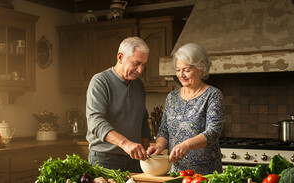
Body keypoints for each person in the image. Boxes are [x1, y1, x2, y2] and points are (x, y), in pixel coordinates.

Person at [147, 43, 224, 175]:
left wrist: (186, 145)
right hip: (176, 172)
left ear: (201, 69)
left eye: (186, 70)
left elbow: (213, 132)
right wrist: (158, 146)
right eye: (178, 70)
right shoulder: (172, 97)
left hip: (205, 173)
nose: (181, 75)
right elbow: (164, 130)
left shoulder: (213, 95)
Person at [86, 37, 151, 172]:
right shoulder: (100, 81)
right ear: (120, 57)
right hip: (105, 159)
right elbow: (95, 121)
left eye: (143, 64)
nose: (140, 70)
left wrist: (147, 149)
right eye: (136, 63)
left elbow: (143, 119)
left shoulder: (138, 85)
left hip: (135, 160)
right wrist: (126, 144)